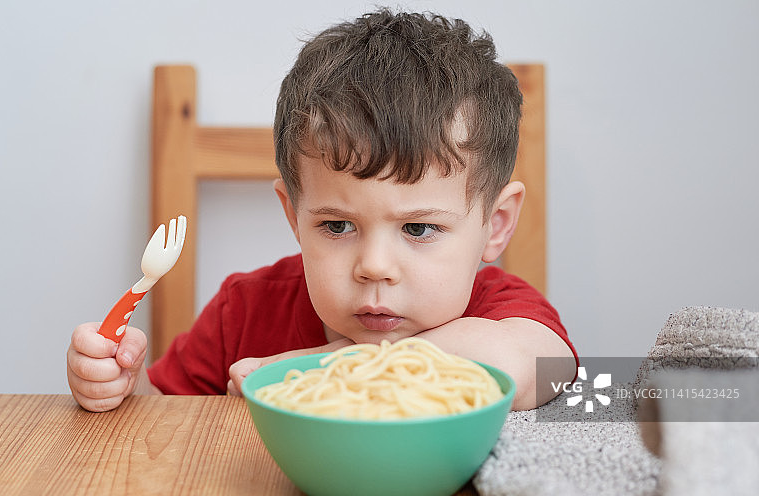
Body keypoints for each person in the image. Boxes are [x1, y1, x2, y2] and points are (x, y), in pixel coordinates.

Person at [67, 8, 578, 413]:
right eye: (337, 225)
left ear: (497, 225)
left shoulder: (501, 307)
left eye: (419, 228)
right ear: (293, 216)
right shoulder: (242, 312)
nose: (375, 266)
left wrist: (313, 371)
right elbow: (163, 425)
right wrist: (115, 390)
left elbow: (541, 370)